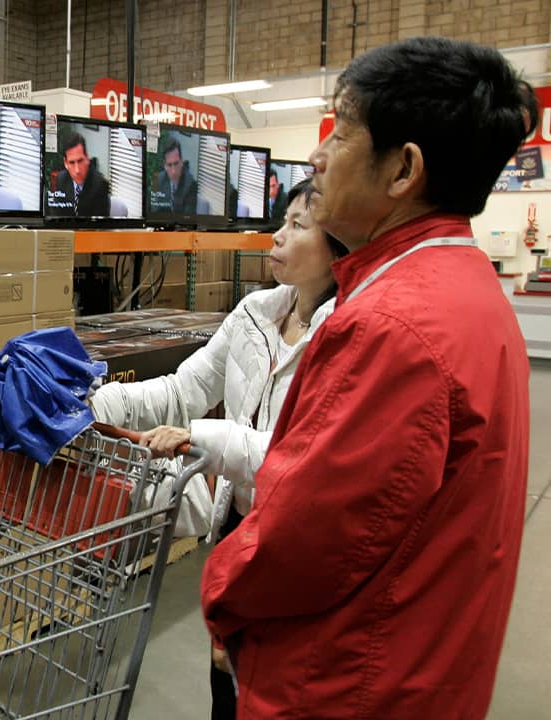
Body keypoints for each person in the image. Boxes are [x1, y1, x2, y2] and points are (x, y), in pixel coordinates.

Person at [201, 37, 535, 718]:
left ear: (403, 169)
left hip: (345, 683)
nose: (317, 156)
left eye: (342, 131)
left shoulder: (391, 325)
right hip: (418, 667)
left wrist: (218, 589)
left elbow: (301, 542)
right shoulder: (462, 287)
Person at [91, 177, 347, 720]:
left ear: (337, 247)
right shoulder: (254, 315)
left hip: (295, 546)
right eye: (282, 222)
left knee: (270, 688)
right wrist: (97, 401)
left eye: (298, 226)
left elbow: (304, 456)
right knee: (225, 679)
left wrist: (199, 437)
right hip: (237, 531)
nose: (278, 237)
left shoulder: (347, 335)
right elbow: (184, 389)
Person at [48, 131, 110, 217]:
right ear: (65, 163)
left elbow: (99, 223)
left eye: (80, 161)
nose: (77, 170)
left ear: (87, 158)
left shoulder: (101, 185)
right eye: (72, 162)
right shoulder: (60, 179)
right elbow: (56, 213)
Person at [153, 138, 197, 215]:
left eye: (176, 164)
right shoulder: (158, 179)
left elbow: (188, 217)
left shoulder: (191, 183)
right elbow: (155, 210)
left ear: (181, 162)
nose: (173, 171)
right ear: (164, 165)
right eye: (169, 165)